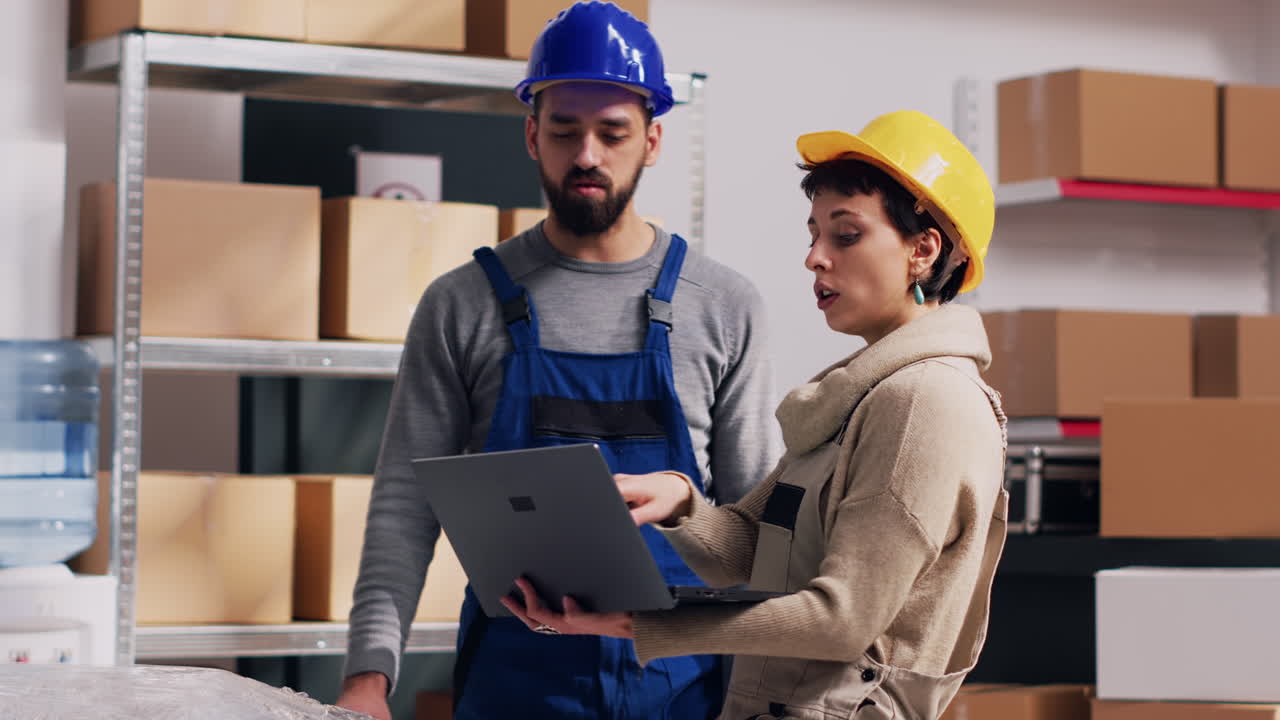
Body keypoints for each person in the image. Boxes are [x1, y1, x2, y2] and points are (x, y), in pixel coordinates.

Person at [335, 3, 779, 719]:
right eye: (566, 131)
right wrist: (367, 678)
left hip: (682, 688)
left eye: (613, 133)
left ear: (653, 140)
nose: (588, 156)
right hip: (515, 687)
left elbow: (759, 523)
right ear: (531, 134)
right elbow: (402, 508)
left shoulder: (724, 304)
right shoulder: (462, 304)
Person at [502, 109, 1010, 720]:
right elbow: (742, 550)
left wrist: (645, 624)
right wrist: (680, 500)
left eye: (845, 235)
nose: (815, 258)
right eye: (813, 233)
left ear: (923, 250)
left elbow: (842, 621)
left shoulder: (926, 401)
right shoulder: (857, 395)